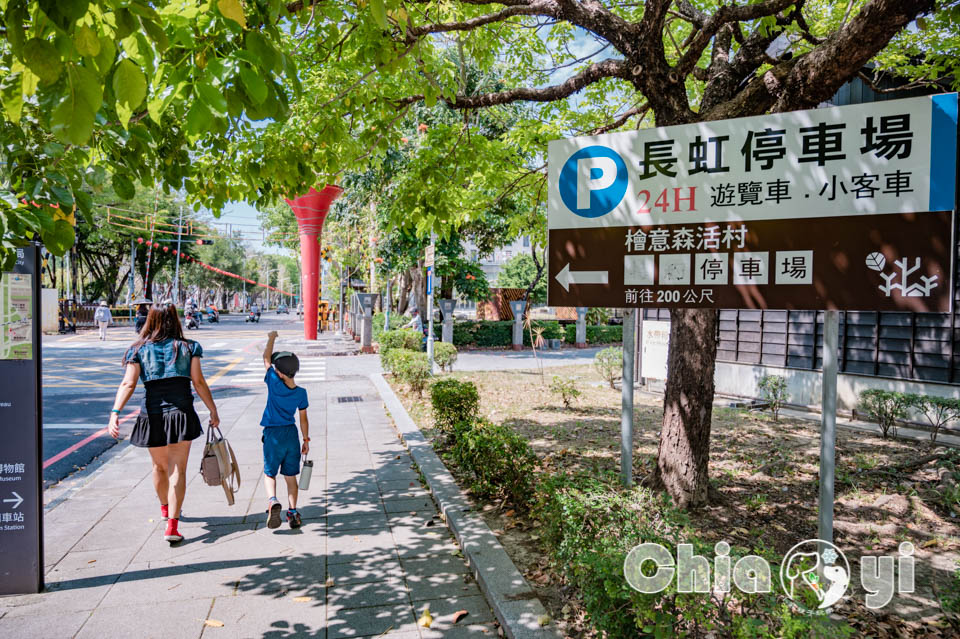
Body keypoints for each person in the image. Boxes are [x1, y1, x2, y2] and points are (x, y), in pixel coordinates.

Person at [107, 302, 220, 544]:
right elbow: (198, 382)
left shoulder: (138, 349)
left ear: (150, 320)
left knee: (159, 468)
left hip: (152, 414)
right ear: (175, 320)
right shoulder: (189, 347)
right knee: (178, 470)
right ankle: (172, 526)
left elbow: (128, 384)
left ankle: (165, 509)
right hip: (182, 413)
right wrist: (212, 409)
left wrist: (115, 412)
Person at [260, 330, 310, 530]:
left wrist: (271, 338)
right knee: (291, 477)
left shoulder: (273, 382)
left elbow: (265, 359)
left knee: (269, 473)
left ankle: (272, 500)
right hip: (292, 435)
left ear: (279, 372)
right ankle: (293, 512)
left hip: (273, 434)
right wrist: (306, 440)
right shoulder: (301, 393)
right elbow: (303, 419)